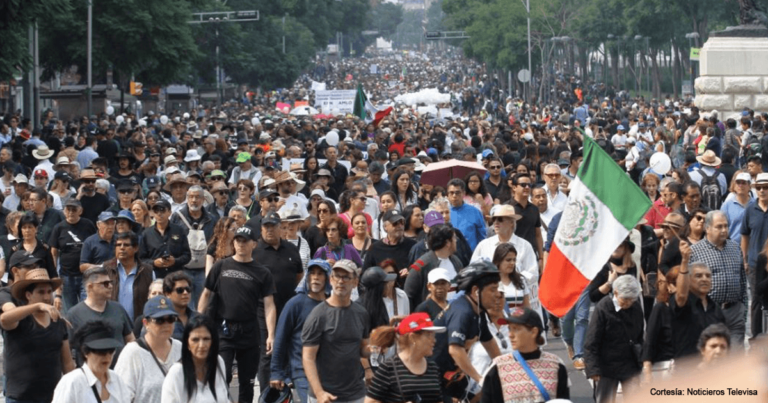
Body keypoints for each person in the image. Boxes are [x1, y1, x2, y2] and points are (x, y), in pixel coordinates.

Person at [198, 225, 277, 403]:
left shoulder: (262, 272)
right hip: (223, 330)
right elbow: (206, 293)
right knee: (221, 378)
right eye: (238, 240)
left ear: (254, 244)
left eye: (245, 241)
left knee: (247, 383)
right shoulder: (221, 266)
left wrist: (271, 334)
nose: (241, 244)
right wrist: (197, 322)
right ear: (233, 243)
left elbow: (269, 305)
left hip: (250, 331)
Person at [1, 266, 75, 403]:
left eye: (49, 292)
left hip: (52, 396)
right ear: (28, 295)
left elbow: (67, 362)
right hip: (20, 397)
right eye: (41, 292)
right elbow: (4, 319)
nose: (47, 297)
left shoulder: (58, 322)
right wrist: (37, 306)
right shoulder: (20, 320)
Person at [431, 261, 502, 402]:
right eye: (493, 289)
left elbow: (489, 343)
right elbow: (455, 350)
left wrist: (505, 368)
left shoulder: (478, 310)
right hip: (433, 377)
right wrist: (480, 379)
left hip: (452, 374)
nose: (497, 294)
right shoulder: (463, 312)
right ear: (476, 291)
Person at [302, 259, 371, 403]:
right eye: (337, 276)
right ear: (331, 280)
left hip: (355, 393)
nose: (341, 281)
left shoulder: (361, 313)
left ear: (355, 282)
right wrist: (319, 392)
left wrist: (377, 346)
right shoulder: (318, 315)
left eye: (346, 277)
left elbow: (363, 349)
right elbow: (308, 357)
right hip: (326, 395)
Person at [254, 211, 304, 393]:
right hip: (263, 309)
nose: (269, 230)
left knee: (288, 349)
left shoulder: (291, 249)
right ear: (261, 228)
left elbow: (299, 275)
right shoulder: (255, 251)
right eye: (266, 226)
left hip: (287, 307)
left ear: (280, 228)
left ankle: (284, 394)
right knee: (268, 352)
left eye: (273, 226)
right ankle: (267, 394)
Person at [270, 259, 332, 403]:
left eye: (320, 274)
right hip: (302, 372)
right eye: (312, 274)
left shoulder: (333, 304)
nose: (316, 277)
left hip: (330, 373)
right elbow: (281, 338)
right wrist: (276, 372)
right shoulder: (295, 304)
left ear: (328, 278)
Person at [481, 307, 570, 403]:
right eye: (509, 328)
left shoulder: (556, 365)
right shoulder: (498, 367)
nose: (510, 334)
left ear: (533, 332)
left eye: (516, 329)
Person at [584, 275, 644, 403]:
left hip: (630, 363)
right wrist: (593, 368)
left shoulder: (636, 307)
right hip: (606, 366)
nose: (628, 303)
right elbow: (592, 341)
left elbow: (639, 336)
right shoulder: (603, 307)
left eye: (631, 300)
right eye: (625, 300)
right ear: (616, 293)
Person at [690, 210, 747, 347]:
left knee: (735, 359)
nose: (724, 230)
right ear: (707, 228)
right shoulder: (695, 251)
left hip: (734, 312)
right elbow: (690, 286)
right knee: (715, 357)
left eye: (726, 226)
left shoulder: (735, 248)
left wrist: (743, 310)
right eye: (719, 226)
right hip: (710, 311)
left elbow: (742, 281)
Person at [115, 296, 183, 403]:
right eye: (159, 320)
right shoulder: (132, 353)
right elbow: (120, 397)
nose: (166, 325)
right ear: (146, 323)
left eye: (170, 319)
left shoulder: (180, 348)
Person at [365, 312, 445, 403]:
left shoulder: (433, 367)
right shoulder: (388, 368)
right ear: (413, 338)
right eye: (428, 335)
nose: (434, 340)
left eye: (433, 335)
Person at [52, 320, 132, 403]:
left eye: (111, 351)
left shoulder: (117, 380)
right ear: (86, 352)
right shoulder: (72, 382)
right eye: (101, 351)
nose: (107, 356)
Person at [161, 315, 229, 403]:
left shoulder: (218, 362)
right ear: (187, 343)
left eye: (206, 339)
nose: (201, 345)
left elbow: (224, 398)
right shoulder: (177, 373)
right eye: (195, 340)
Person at [170, 185, 217, 308]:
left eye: (197, 197)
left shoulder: (212, 219)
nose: (194, 200)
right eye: (191, 197)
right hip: (184, 268)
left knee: (204, 305)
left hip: (203, 270)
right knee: (184, 305)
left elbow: (215, 242)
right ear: (187, 198)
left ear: (203, 199)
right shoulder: (177, 217)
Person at [405, 224, 462, 311]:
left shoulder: (456, 261)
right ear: (447, 243)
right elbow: (408, 294)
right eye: (454, 238)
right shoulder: (421, 265)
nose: (456, 241)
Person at [101, 231, 154, 321]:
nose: (121, 248)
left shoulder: (147, 271)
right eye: (118, 245)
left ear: (136, 248)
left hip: (138, 325)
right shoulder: (105, 269)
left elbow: (153, 299)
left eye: (126, 245)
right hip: (111, 323)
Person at [741, 172, 768, 337]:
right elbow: (745, 235)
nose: (762, 191)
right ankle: (755, 336)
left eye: (765, 187)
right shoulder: (750, 209)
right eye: (759, 188)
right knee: (756, 299)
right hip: (754, 262)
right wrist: (744, 259)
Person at [641, 267, 679, 383]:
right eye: (679, 284)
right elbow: (650, 340)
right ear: (669, 287)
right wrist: (647, 372)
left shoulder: (693, 310)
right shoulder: (661, 309)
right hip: (664, 369)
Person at [139, 199, 191, 278]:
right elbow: (141, 259)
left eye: (162, 210)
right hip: (155, 277)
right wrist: (154, 263)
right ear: (153, 213)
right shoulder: (146, 234)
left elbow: (187, 255)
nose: (159, 214)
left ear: (169, 212)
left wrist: (175, 261)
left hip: (176, 276)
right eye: (156, 211)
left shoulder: (179, 231)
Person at [447, 179, 486, 250]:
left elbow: (482, 236)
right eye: (451, 193)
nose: (454, 196)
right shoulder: (444, 213)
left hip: (471, 255)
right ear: (448, 194)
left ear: (463, 193)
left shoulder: (475, 212)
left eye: (457, 192)